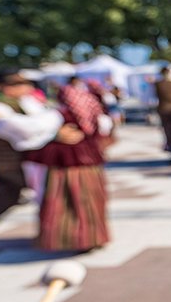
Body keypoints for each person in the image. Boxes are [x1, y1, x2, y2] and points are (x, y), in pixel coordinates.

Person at [0, 70, 79, 254]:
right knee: (37, 194)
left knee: (6, 198)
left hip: (20, 159)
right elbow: (25, 129)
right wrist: (54, 131)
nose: (27, 88)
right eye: (21, 84)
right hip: (9, 161)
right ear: (8, 87)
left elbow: (45, 118)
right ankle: (57, 234)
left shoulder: (18, 102)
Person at [29, 81, 111, 253]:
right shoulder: (94, 113)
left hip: (66, 167)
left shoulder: (57, 115)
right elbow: (105, 130)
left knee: (69, 202)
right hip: (90, 164)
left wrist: (55, 136)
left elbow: (35, 132)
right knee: (89, 202)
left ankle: (77, 238)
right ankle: (93, 237)